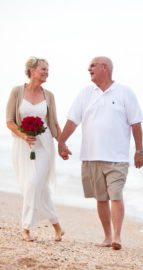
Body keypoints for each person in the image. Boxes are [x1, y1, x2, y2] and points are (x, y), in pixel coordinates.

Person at [58, 56, 143, 250]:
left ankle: (117, 236)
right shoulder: (85, 93)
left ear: (104, 68)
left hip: (117, 157)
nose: (88, 69)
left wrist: (139, 150)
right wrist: (62, 141)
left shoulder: (125, 92)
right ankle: (107, 237)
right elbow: (73, 121)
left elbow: (136, 123)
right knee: (101, 198)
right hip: (91, 156)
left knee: (115, 195)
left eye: (92, 66)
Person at [6, 57, 64, 242]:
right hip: (22, 145)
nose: (47, 72)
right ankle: (57, 227)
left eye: (48, 69)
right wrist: (23, 135)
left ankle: (25, 227)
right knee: (36, 187)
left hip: (44, 145)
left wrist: (62, 144)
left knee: (33, 185)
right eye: (43, 69)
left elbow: (54, 122)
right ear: (32, 70)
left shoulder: (49, 95)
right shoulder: (17, 91)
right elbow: (9, 121)